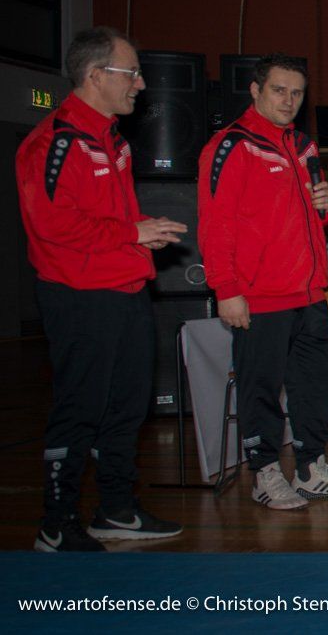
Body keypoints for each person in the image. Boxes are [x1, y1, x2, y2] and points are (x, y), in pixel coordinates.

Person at [17, 27, 188, 551]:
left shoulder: (112, 139)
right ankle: (57, 522)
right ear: (95, 76)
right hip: (80, 297)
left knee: (127, 407)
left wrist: (140, 234)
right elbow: (51, 224)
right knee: (81, 407)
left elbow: (109, 218)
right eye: (130, 72)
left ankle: (116, 509)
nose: (140, 83)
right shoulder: (55, 141)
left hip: (126, 290)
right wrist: (131, 233)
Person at [199, 53, 328, 509]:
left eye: (297, 93)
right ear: (255, 91)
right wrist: (226, 289)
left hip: (309, 292)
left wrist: (327, 206)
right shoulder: (232, 146)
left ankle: (312, 469)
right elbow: (216, 224)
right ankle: (265, 474)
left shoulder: (303, 146)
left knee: (316, 387)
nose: (289, 100)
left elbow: (313, 218)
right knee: (261, 390)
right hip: (260, 295)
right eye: (279, 90)